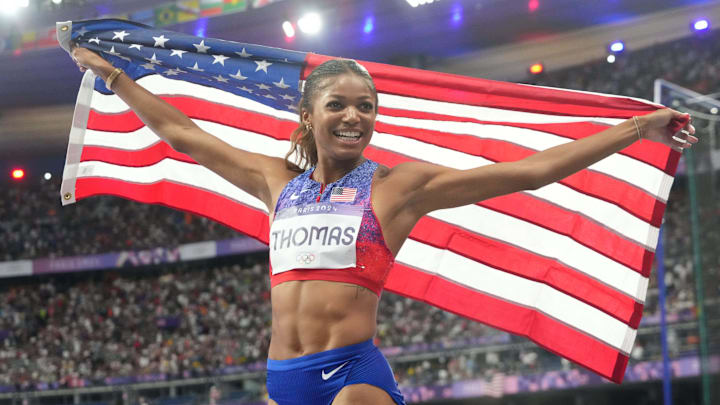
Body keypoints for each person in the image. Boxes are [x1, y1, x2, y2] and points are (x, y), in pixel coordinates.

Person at [69, 45, 697, 405]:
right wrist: (114, 76)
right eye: (337, 104)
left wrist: (637, 129)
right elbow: (182, 134)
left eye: (366, 107)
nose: (353, 117)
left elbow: (528, 172)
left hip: (350, 380)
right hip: (281, 380)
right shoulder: (276, 182)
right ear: (308, 114)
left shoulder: (398, 188)